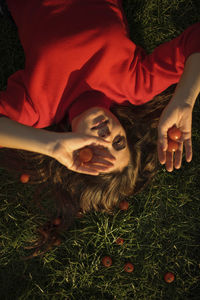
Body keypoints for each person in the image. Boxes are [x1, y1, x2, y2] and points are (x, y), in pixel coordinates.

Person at [0, 0, 200, 258]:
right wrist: (185, 100)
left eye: (94, 152)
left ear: (73, 157)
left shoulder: (38, 107)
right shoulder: (135, 85)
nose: (106, 136)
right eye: (119, 143)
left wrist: (50, 145)